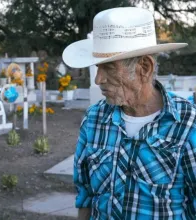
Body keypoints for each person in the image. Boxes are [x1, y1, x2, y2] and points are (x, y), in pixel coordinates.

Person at [62, 7, 196, 220]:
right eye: (98, 68)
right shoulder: (94, 119)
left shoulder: (187, 123)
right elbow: (85, 194)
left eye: (109, 68)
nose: (98, 79)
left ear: (144, 67)